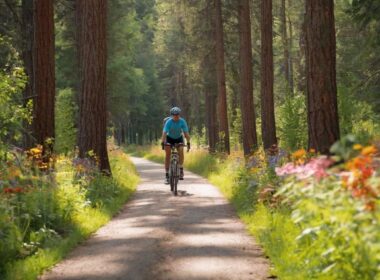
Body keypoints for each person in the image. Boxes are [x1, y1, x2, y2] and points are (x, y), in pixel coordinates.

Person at [161, 107, 190, 184]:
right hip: (169, 138)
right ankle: (167, 175)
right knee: (167, 154)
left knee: (180, 149)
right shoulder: (169, 122)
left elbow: (186, 133)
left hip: (179, 138)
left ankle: (180, 169)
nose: (176, 116)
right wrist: (163, 142)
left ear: (179, 115)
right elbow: (164, 133)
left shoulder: (182, 121)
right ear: (172, 115)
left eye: (177, 115)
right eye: (174, 115)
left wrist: (188, 142)